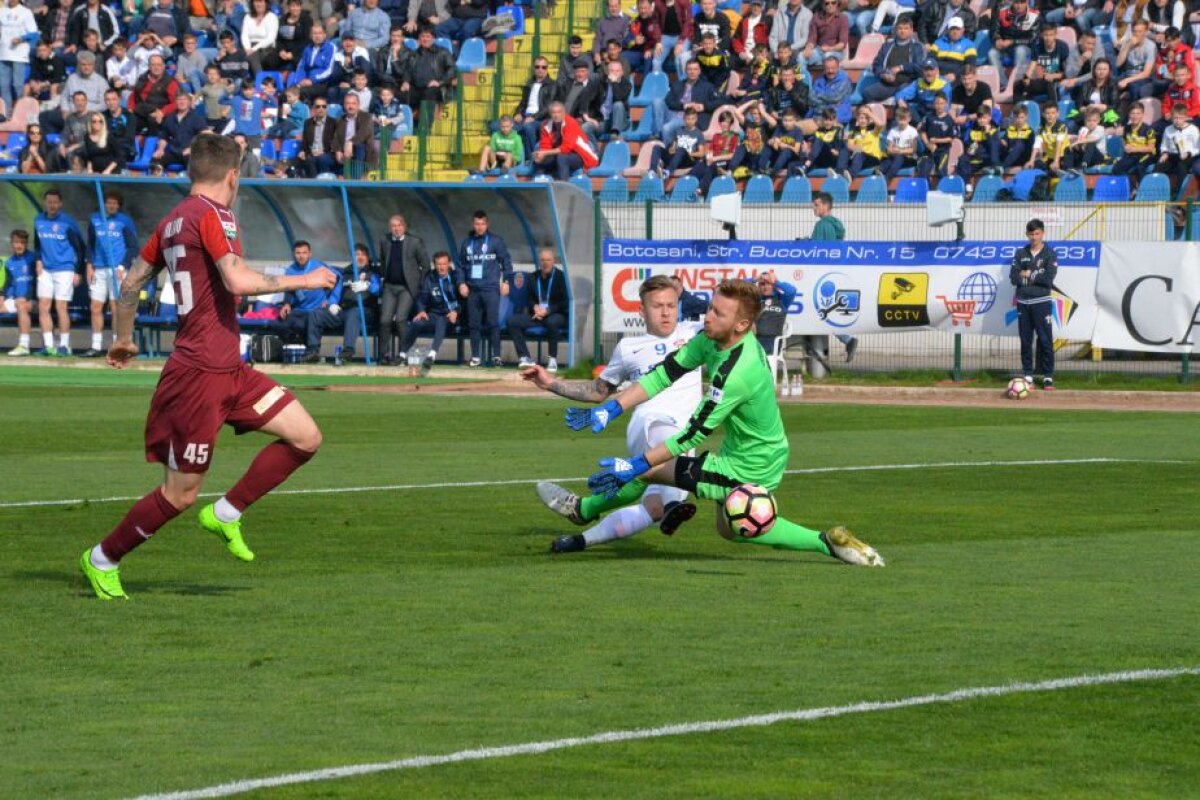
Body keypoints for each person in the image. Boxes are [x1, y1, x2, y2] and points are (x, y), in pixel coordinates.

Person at [78, 133, 337, 601]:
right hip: (199, 375)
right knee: (179, 494)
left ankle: (228, 513)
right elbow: (235, 280)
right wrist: (307, 278)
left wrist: (122, 338)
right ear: (233, 176)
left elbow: (133, 280)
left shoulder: (174, 219)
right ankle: (103, 558)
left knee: (306, 437)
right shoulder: (217, 214)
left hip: (228, 369)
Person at [535, 279, 884, 566]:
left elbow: (692, 434)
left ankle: (583, 510)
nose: (707, 316)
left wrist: (637, 464)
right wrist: (611, 408)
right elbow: (664, 374)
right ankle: (830, 542)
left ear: (742, 325)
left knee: (650, 470)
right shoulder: (710, 338)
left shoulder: (738, 372)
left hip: (751, 463)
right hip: (745, 449)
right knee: (731, 528)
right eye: (710, 306)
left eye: (718, 312)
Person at [524, 275, 702, 553]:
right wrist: (550, 383)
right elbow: (598, 390)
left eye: (671, 305)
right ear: (641, 311)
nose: (666, 312)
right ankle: (673, 507)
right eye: (657, 306)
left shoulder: (695, 333)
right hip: (649, 425)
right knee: (667, 442)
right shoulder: (629, 348)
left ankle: (581, 530)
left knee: (651, 508)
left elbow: (739, 324)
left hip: (686, 436)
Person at [84, 192, 138, 358]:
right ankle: (96, 345)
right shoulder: (95, 219)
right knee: (96, 306)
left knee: (116, 307)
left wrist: (123, 266)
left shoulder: (125, 221)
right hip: (99, 268)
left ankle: (116, 344)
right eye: (108, 203)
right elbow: (91, 245)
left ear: (119, 205)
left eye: (114, 203)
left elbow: (133, 246)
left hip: (117, 269)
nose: (111, 206)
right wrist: (90, 264)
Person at [456, 210, 512, 367]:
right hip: (473, 290)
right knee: (473, 324)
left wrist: (506, 281)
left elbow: (506, 262)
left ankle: (496, 356)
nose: (479, 227)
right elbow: (460, 266)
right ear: (472, 225)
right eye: (476, 224)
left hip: (491, 289)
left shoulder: (496, 241)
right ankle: (475, 356)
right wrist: (461, 283)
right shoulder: (467, 243)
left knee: (493, 322)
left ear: (487, 224)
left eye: (482, 224)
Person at [33, 188, 85, 356]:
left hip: (65, 269)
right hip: (46, 270)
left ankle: (64, 345)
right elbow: (37, 244)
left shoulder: (68, 223)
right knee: (43, 307)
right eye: (49, 202)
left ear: (60, 204)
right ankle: (49, 345)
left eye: (55, 202)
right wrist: (38, 260)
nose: (52, 205)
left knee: (61, 307)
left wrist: (78, 271)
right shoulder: (38, 220)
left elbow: (80, 247)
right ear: (45, 202)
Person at [272, 240, 342, 362]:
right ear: (294, 254)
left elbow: (338, 278)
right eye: (298, 253)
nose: (301, 256)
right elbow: (289, 290)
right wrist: (287, 304)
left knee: (308, 322)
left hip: (317, 311)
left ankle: (311, 353)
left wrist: (331, 301)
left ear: (310, 254)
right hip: (300, 310)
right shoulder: (290, 270)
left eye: (304, 253)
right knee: (278, 324)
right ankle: (296, 347)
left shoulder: (319, 266)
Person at [1010, 218, 1057, 391]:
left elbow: (1048, 280)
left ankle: (1048, 376)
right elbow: (1013, 278)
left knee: (1045, 340)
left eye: (1037, 233)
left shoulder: (1050, 254)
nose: (1034, 237)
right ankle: (1028, 375)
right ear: (1027, 234)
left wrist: (1027, 274)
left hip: (1041, 302)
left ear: (1043, 233)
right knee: (1025, 340)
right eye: (1031, 234)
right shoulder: (1020, 253)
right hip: (1023, 302)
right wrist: (1028, 275)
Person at [375, 213, 429, 364]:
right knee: (385, 320)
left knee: (400, 319)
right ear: (390, 228)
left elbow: (425, 265)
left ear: (404, 227)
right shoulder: (384, 240)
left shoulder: (415, 242)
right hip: (390, 286)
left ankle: (404, 354)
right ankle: (384, 355)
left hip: (407, 287)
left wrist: (419, 284)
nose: (396, 229)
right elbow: (383, 260)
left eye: (399, 225)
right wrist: (382, 278)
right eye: (393, 226)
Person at [809, 191, 856, 361]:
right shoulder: (836, 225)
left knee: (819, 312)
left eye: (816, 205)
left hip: (821, 276)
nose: (814, 208)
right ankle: (844, 340)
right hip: (833, 274)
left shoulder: (823, 226)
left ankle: (846, 339)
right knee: (824, 312)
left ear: (825, 206)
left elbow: (819, 251)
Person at [509, 248, 569, 372]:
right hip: (537, 315)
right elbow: (529, 298)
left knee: (551, 322)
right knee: (512, 321)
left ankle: (552, 359)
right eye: (542, 260)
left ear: (554, 261)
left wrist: (548, 311)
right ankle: (525, 357)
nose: (545, 262)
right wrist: (535, 307)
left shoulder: (561, 277)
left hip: (555, 314)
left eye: (548, 260)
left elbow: (564, 302)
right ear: (539, 262)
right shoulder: (533, 276)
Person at [399, 249, 458, 372]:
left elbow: (464, 300)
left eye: (444, 264)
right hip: (434, 315)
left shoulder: (456, 277)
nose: (441, 267)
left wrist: (456, 311)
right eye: (438, 264)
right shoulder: (430, 278)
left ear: (449, 264)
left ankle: (432, 355)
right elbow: (422, 298)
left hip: (452, 317)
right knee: (417, 323)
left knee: (442, 321)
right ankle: (402, 355)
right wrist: (421, 310)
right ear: (434, 265)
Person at [532, 101, 600, 181]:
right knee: (539, 159)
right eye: (553, 113)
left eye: (559, 112)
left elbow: (566, 148)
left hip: (582, 157)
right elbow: (545, 146)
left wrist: (545, 153)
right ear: (550, 114)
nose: (556, 115)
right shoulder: (545, 125)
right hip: (560, 154)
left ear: (564, 113)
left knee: (562, 158)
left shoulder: (570, 123)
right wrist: (540, 155)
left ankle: (564, 186)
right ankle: (538, 185)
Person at [336, 244, 380, 363]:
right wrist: (332, 304)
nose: (360, 257)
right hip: (344, 310)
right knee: (317, 314)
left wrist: (367, 286)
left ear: (367, 257)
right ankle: (312, 350)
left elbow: (378, 289)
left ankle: (348, 350)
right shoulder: (345, 273)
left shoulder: (372, 273)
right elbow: (336, 292)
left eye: (363, 255)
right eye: (357, 255)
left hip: (366, 311)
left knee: (354, 314)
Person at [0, 0, 39, 117]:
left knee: (18, 85)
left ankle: (21, 112)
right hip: (3, 53)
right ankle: (7, 113)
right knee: (3, 85)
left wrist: (21, 38)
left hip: (19, 54)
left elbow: (34, 33)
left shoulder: (26, 12)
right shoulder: (1, 10)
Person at [2, 229, 36, 356]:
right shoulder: (9, 262)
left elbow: (38, 283)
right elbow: (7, 283)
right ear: (11, 243)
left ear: (26, 244)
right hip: (16, 299)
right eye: (16, 242)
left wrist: (27, 297)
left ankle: (24, 345)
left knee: (22, 306)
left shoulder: (33, 259)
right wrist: (2, 296)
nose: (19, 245)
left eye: (22, 242)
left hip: (33, 300)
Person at [752, 269, 796, 355]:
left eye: (768, 283)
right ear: (758, 286)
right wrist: (754, 279)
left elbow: (792, 291)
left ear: (774, 285)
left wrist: (776, 281)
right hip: (753, 338)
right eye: (762, 284)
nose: (765, 287)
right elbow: (737, 289)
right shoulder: (754, 299)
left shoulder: (782, 299)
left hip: (772, 340)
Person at [294, 96, 337, 176]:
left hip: (328, 153)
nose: (321, 109)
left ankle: (324, 183)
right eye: (318, 106)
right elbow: (305, 142)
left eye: (323, 106)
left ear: (327, 108)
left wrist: (322, 152)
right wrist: (303, 151)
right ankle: (314, 184)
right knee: (306, 159)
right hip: (312, 153)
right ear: (314, 108)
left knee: (322, 159)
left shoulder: (333, 123)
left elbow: (336, 143)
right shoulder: (308, 123)